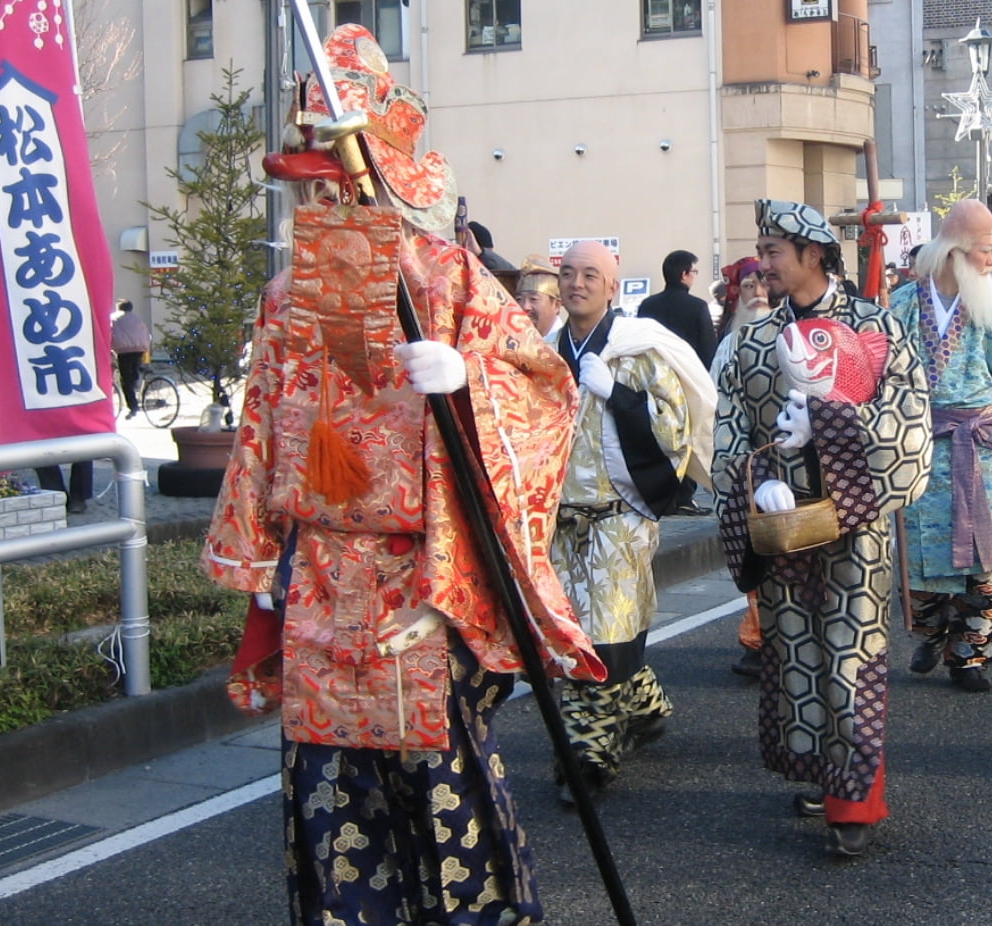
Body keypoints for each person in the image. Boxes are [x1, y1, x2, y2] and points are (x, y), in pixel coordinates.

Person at [202, 25, 603, 925]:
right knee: (331, 789)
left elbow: (547, 390)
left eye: (335, 179)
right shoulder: (286, 297)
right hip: (318, 572)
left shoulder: (450, 279)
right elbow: (263, 426)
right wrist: (264, 558)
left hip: (423, 572)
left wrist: (472, 378)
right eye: (311, 183)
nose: (321, 197)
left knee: (440, 778)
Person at [712, 198, 932, 858]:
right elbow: (730, 433)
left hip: (854, 525)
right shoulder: (751, 341)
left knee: (851, 653)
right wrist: (757, 481)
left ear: (813, 254)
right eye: (762, 251)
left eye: (773, 252)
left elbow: (909, 422)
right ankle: (825, 771)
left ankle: (854, 798)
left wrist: (832, 426)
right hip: (782, 523)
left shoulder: (876, 326)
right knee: (795, 654)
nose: (763, 264)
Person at [551, 239, 716, 803]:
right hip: (562, 520)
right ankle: (644, 706)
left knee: (603, 633)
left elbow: (674, 427)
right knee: (575, 631)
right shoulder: (548, 350)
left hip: (618, 515)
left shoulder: (639, 349)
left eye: (589, 275)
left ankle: (588, 757)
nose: (576, 284)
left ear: (612, 287)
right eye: (568, 273)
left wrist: (617, 395)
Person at [891, 201, 992, 693]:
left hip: (983, 448)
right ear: (956, 252)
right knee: (922, 565)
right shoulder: (900, 305)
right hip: (920, 450)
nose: (991, 260)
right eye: (984, 249)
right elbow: (883, 380)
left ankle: (969, 656)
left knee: (987, 562)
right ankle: (932, 634)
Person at [709, 256, 773, 678]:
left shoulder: (788, 333)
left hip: (786, 458)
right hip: (742, 464)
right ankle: (757, 638)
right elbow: (715, 404)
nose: (757, 294)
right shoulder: (728, 346)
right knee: (752, 550)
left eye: (763, 285)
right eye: (748, 287)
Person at [637, 248, 719, 514]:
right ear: (684, 274)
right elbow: (708, 350)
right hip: (688, 382)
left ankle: (663, 496)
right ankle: (684, 496)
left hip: (653, 382)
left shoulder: (647, 306)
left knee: (658, 438)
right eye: (694, 271)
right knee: (687, 439)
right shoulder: (697, 307)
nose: (694, 276)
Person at [111, 299, 151, 420]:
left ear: (119, 308)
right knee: (134, 374)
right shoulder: (137, 319)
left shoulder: (114, 318)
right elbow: (147, 335)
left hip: (124, 351)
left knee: (125, 380)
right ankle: (136, 388)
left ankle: (133, 406)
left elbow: (109, 333)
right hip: (140, 350)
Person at [515, 252, 565, 338]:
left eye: (533, 299)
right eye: (519, 299)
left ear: (556, 305)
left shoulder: (565, 342)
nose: (525, 307)